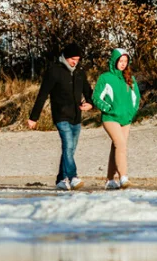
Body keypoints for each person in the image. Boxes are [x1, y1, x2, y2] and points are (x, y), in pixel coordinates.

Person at [29, 42, 93, 191]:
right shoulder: (54, 71)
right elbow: (42, 95)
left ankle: (61, 179)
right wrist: (34, 117)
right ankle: (73, 177)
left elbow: (88, 91)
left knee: (69, 150)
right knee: (68, 145)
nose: (75, 62)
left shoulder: (80, 72)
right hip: (61, 115)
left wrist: (90, 104)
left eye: (77, 59)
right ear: (65, 57)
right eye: (72, 59)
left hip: (76, 117)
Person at [93, 48, 140, 190]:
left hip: (126, 119)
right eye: (120, 61)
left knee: (116, 147)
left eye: (125, 61)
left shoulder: (130, 78)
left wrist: (131, 112)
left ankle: (109, 179)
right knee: (120, 144)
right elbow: (96, 97)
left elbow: (136, 98)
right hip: (110, 118)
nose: (123, 64)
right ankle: (123, 177)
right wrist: (108, 108)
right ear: (114, 61)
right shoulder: (105, 78)